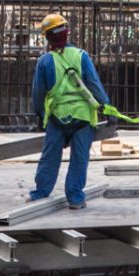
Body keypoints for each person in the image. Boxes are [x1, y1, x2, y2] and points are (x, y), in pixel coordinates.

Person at [30, 13, 110, 209]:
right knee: (79, 158)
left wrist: (40, 115)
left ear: (47, 38)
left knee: (50, 157)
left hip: (57, 118)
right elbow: (94, 84)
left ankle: (40, 194)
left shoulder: (45, 61)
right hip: (82, 118)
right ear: (67, 32)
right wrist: (106, 108)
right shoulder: (81, 56)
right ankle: (75, 198)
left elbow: (38, 93)